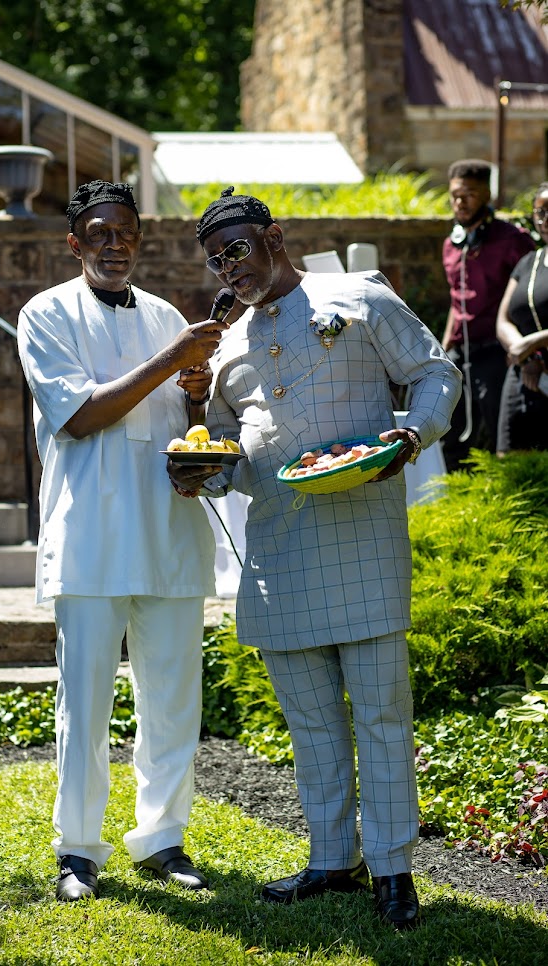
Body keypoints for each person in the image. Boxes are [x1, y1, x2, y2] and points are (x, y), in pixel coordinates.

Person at [167, 187, 462, 930]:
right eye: (215, 259)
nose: (228, 268)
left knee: (384, 715)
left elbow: (436, 372)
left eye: (236, 249)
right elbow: (231, 454)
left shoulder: (356, 295)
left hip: (363, 534)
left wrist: (410, 437)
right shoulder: (226, 345)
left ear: (274, 238)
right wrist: (202, 469)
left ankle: (393, 868)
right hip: (277, 550)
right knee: (310, 721)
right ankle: (334, 859)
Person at [17, 180, 230, 902]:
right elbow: (79, 417)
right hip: (91, 536)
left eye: (127, 233)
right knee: (85, 704)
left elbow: (186, 422)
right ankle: (77, 850)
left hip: (169, 530)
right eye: (100, 233)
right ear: (75, 243)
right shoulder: (45, 314)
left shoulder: (166, 316)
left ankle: (162, 839)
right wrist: (176, 358)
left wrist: (196, 389)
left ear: (139, 239)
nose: (116, 245)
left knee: (174, 700)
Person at [440, 158, 534, 471]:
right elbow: (457, 302)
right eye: (454, 194)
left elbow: (527, 296)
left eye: (469, 194)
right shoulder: (451, 245)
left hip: (496, 352)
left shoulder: (512, 241)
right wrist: (442, 351)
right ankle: (455, 496)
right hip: (458, 351)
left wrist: (520, 347)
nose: (459, 202)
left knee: (498, 431)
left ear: (487, 196)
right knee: (448, 431)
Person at [496, 182, 548, 454]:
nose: (546, 220)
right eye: (540, 212)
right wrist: (526, 355)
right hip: (523, 374)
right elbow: (504, 319)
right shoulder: (530, 261)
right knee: (511, 461)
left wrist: (535, 342)